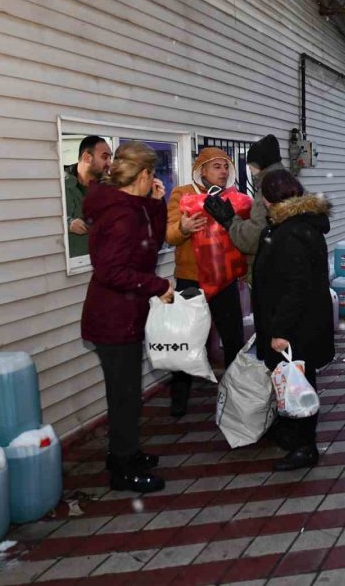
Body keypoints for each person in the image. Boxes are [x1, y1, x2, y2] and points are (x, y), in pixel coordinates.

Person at [81, 140, 173, 493]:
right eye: (154, 173)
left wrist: (157, 204)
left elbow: (151, 243)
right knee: (124, 395)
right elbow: (110, 271)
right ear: (145, 173)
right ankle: (121, 469)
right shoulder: (120, 213)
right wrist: (157, 285)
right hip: (112, 317)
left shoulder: (131, 207)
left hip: (124, 314)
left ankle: (126, 452)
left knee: (128, 392)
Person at [252, 169, 334, 471]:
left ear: (268, 200)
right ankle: (292, 434)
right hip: (304, 322)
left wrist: (280, 330)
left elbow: (295, 287)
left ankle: (305, 446)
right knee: (295, 381)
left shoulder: (290, 233)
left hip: (296, 326)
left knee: (299, 383)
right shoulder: (301, 226)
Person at [165, 147, 246, 417]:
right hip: (191, 279)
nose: (223, 172)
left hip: (224, 279)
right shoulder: (182, 194)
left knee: (233, 338)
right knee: (186, 340)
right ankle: (179, 398)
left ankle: (237, 394)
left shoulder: (232, 198)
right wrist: (183, 229)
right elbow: (169, 235)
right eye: (216, 167)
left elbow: (240, 236)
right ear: (202, 171)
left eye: (226, 167)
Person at [204, 134, 285, 259]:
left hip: (275, 262)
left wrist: (230, 221)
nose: (224, 171)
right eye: (217, 167)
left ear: (258, 164)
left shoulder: (267, 190)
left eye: (250, 164)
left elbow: (253, 239)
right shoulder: (289, 183)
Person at [64, 136, 112, 257]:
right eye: (105, 157)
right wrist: (69, 224)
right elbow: (43, 219)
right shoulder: (58, 184)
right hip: (73, 264)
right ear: (86, 157)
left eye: (110, 158)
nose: (109, 163)